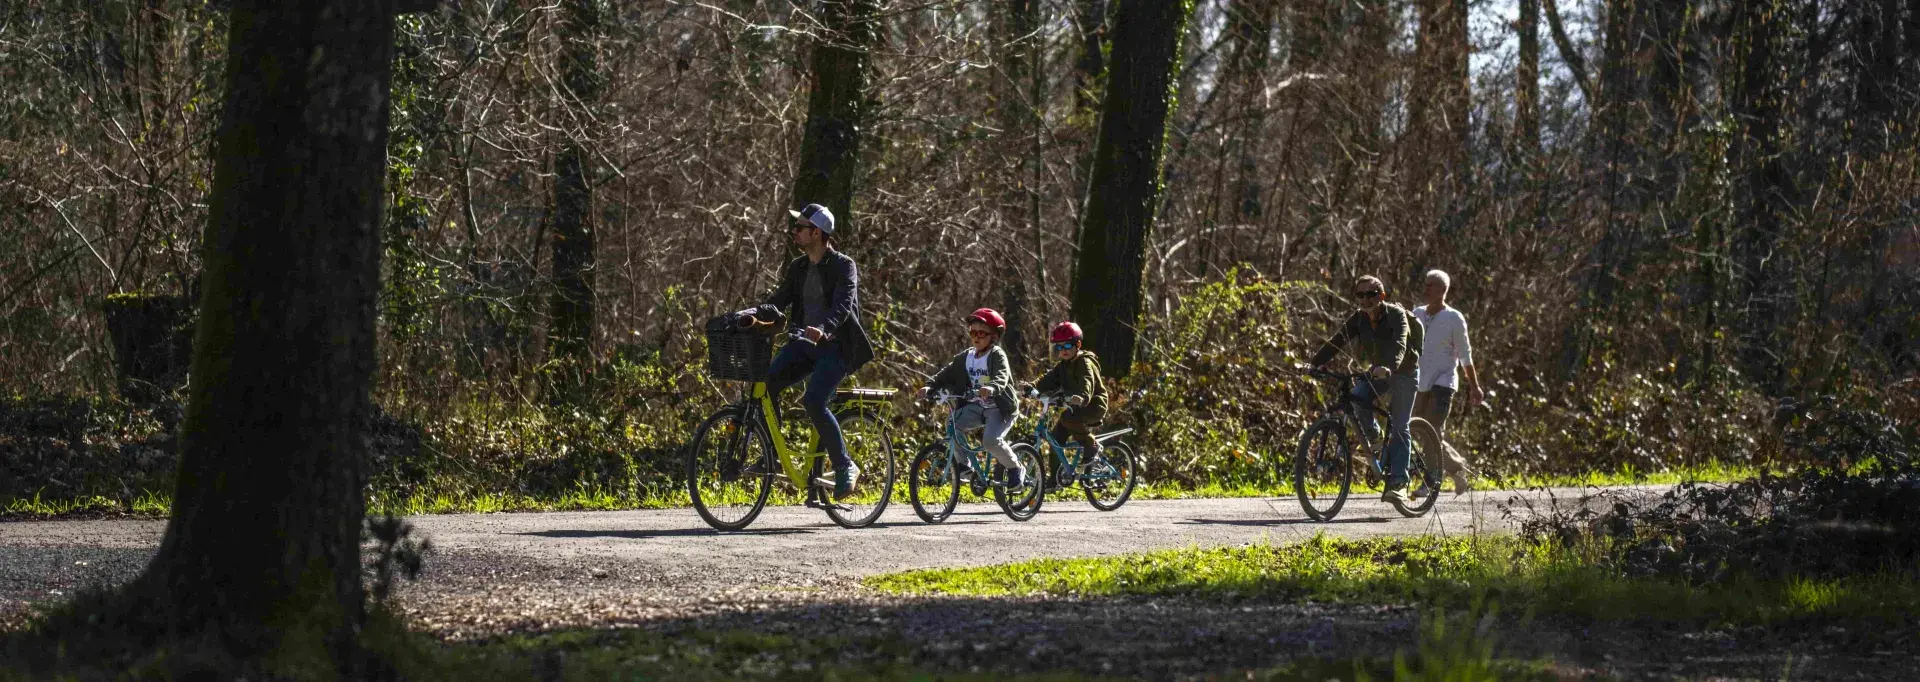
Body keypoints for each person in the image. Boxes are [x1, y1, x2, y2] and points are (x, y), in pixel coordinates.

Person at [741, 203, 873, 501]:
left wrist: (824, 328)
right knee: (766, 384)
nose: (795, 232)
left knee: (813, 401)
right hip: (804, 343)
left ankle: (844, 465)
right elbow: (777, 301)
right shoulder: (798, 267)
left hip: (837, 348)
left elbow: (842, 305)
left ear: (817, 232)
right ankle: (770, 455)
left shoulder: (843, 265)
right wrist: (744, 315)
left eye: (800, 228)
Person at [1310, 275, 1422, 503]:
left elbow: (1400, 343)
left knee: (1400, 425)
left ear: (1381, 296)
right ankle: (1377, 439)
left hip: (1404, 373)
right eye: (1359, 294)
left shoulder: (1396, 315)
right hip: (1377, 371)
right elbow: (1336, 341)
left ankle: (1399, 481)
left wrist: (1389, 367)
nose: (1364, 299)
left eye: (1370, 294)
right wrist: (1313, 363)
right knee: (1358, 396)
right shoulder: (1359, 319)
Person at [919, 308, 1025, 492]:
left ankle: (1016, 468)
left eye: (982, 333)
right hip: (978, 406)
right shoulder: (966, 357)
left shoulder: (996, 355)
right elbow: (946, 374)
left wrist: (992, 387)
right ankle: (965, 466)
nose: (976, 337)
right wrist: (930, 386)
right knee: (953, 424)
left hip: (1000, 408)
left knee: (990, 440)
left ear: (993, 336)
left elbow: (1002, 376)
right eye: (972, 332)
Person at [1412, 269, 1482, 497]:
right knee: (1422, 432)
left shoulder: (1454, 318)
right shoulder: (1417, 314)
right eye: (1426, 283)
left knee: (1431, 431)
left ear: (1443, 291)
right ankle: (1458, 469)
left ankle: (1431, 482)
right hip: (1419, 383)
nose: (1426, 288)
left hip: (1443, 383)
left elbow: (1465, 356)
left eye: (1431, 285)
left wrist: (1474, 386)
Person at [1031, 321, 1108, 487]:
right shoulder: (1063, 366)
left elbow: (1087, 382)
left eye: (1066, 345)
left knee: (1067, 417)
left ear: (1078, 344)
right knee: (1054, 438)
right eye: (1058, 347)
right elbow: (1048, 379)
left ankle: (1091, 446)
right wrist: (1031, 386)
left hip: (1094, 405)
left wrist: (1081, 396)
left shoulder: (1085, 363)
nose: (1063, 351)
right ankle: (1055, 479)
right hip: (1075, 407)